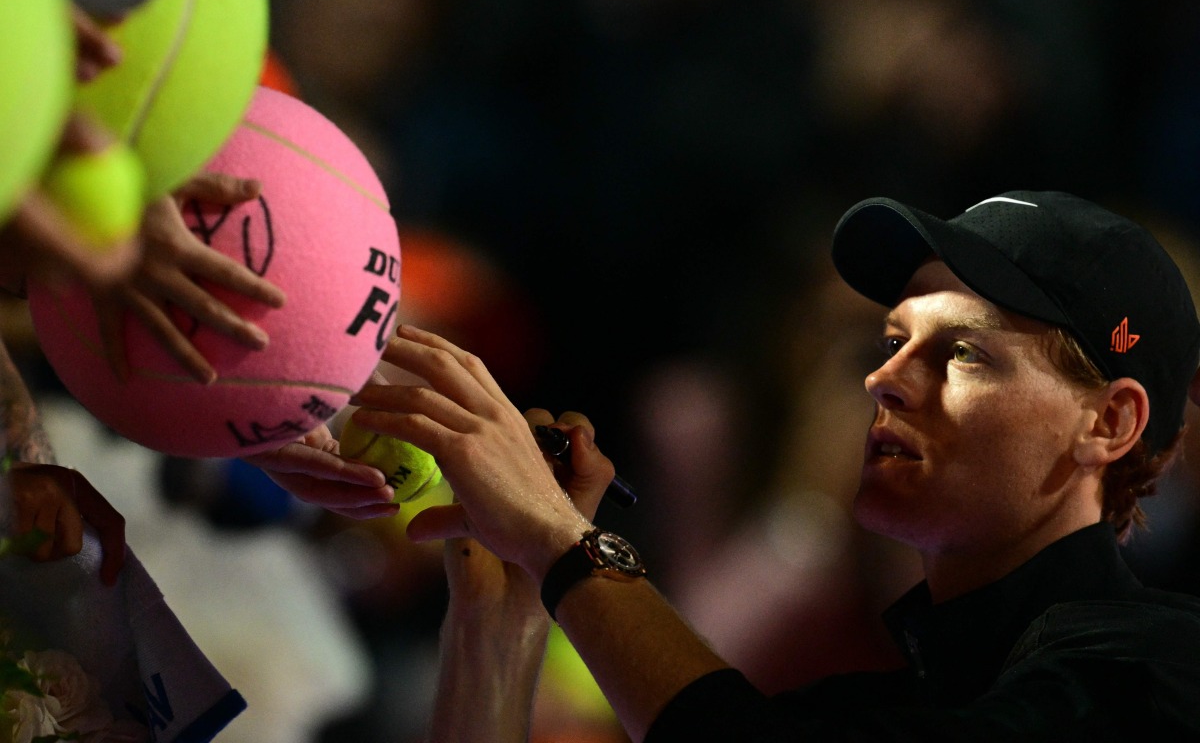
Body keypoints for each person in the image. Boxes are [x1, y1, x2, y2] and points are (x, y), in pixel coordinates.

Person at [341, 189, 1200, 741]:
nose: (882, 378)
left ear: (1110, 422)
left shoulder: (1155, 674)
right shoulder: (894, 698)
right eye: (894, 340)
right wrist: (502, 621)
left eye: (967, 352)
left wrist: (564, 544)